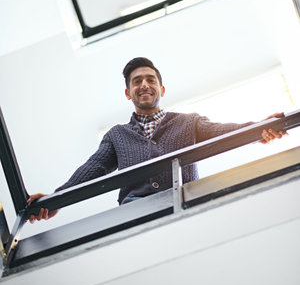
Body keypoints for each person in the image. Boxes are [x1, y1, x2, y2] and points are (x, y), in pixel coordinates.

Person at [27, 57, 287, 223]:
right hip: (133, 209)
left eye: (150, 80)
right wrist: (56, 198)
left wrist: (258, 130)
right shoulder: (116, 135)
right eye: (136, 81)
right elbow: (93, 168)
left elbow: (222, 131)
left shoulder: (188, 122)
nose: (144, 85)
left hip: (186, 200)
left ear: (160, 89)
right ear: (128, 93)